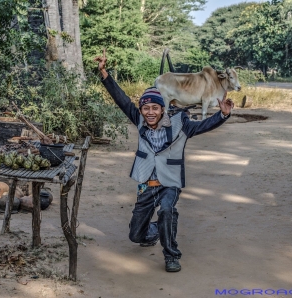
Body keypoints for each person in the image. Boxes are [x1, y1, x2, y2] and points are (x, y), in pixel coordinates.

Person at [94, 49, 234, 272]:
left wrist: (222, 115)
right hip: (146, 183)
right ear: (141, 109)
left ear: (162, 109)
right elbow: (120, 98)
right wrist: (104, 73)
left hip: (170, 182)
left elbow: (204, 126)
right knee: (135, 235)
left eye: (155, 108)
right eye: (146, 108)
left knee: (167, 209)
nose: (150, 112)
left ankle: (171, 254)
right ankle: (157, 229)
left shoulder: (182, 123)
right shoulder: (138, 119)